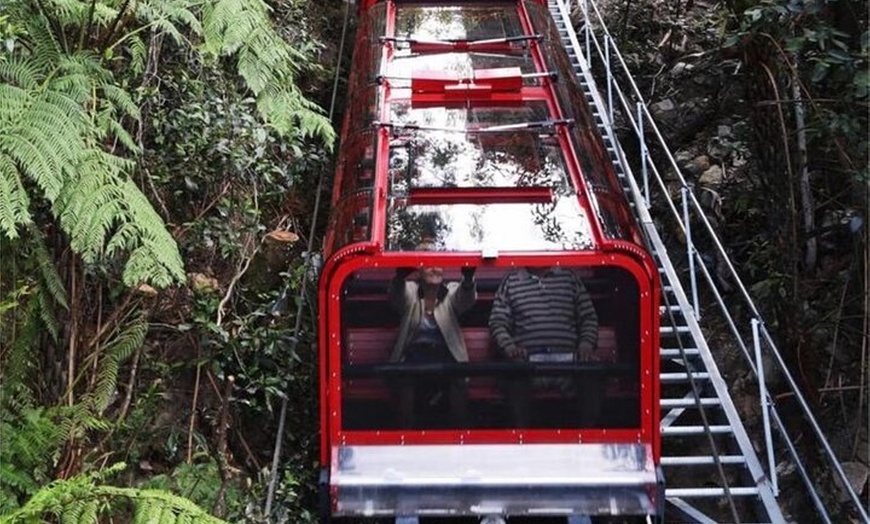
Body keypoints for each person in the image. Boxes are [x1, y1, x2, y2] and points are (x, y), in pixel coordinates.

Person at [488, 266, 601, 427]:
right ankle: (521, 442)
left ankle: (589, 441)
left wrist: (586, 345)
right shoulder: (511, 281)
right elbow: (498, 322)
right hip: (527, 366)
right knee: (513, 376)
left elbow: (588, 317)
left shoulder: (569, 277)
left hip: (571, 366)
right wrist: (510, 348)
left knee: (594, 374)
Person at [389, 264, 477, 428]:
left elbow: (465, 299)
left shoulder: (451, 291)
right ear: (419, 272)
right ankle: (404, 437)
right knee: (405, 381)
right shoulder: (410, 290)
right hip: (414, 356)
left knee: (458, 381)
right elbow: (397, 296)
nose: (434, 269)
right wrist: (399, 278)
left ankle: (459, 438)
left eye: (438, 265)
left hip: (445, 355)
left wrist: (468, 280)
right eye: (428, 266)